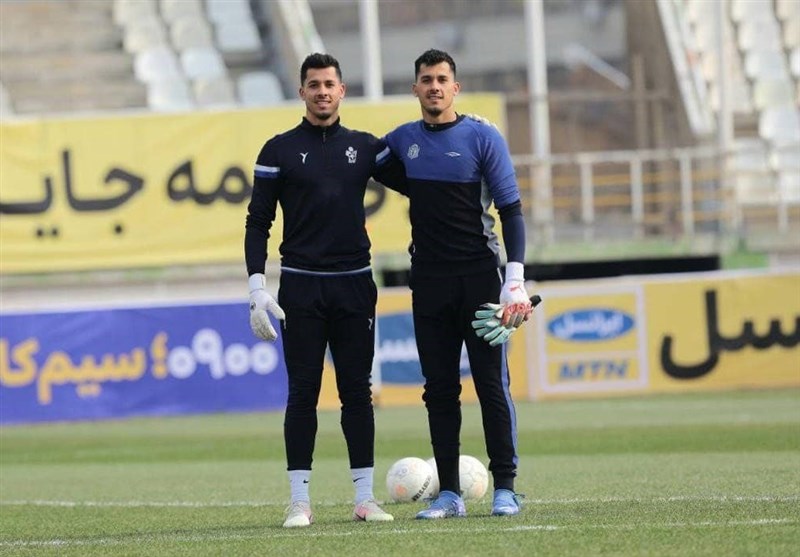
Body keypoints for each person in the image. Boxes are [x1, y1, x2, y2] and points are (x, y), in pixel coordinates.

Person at [244, 53, 406, 528]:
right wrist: (256, 286)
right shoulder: (278, 150)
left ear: (342, 91)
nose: (321, 92)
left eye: (329, 84)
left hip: (355, 284)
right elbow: (258, 222)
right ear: (302, 92)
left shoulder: (365, 147)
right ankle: (299, 501)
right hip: (301, 286)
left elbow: (419, 182)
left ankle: (365, 499)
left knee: (357, 392)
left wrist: (458, 139)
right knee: (303, 392)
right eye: (313, 85)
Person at [383, 49, 533, 519]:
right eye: (426, 79)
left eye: (442, 79)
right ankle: (449, 494)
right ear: (415, 88)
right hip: (429, 283)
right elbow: (360, 165)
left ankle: (505, 487)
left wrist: (514, 281)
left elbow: (511, 210)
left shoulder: (483, 137)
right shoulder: (402, 141)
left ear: (455, 87)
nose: (434, 86)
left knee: (491, 384)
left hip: (479, 280)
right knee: (439, 390)